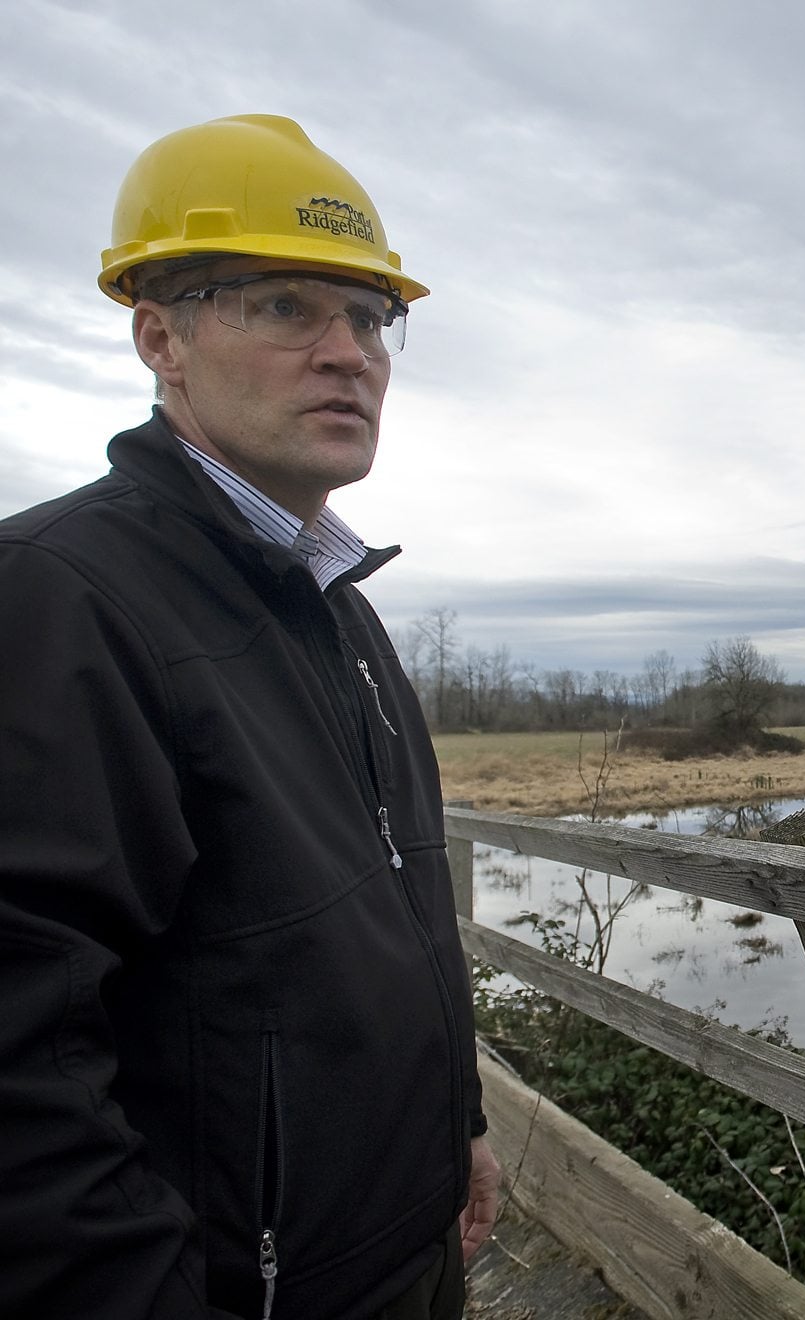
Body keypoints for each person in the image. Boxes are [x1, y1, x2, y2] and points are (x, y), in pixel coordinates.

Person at [0, 114, 499, 1318]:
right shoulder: (57, 600)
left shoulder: (335, 603)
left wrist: (459, 1128)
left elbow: (391, 915)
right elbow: (23, 1067)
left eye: (371, 318)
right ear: (158, 336)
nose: (350, 354)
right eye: (284, 307)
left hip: (399, 1257)